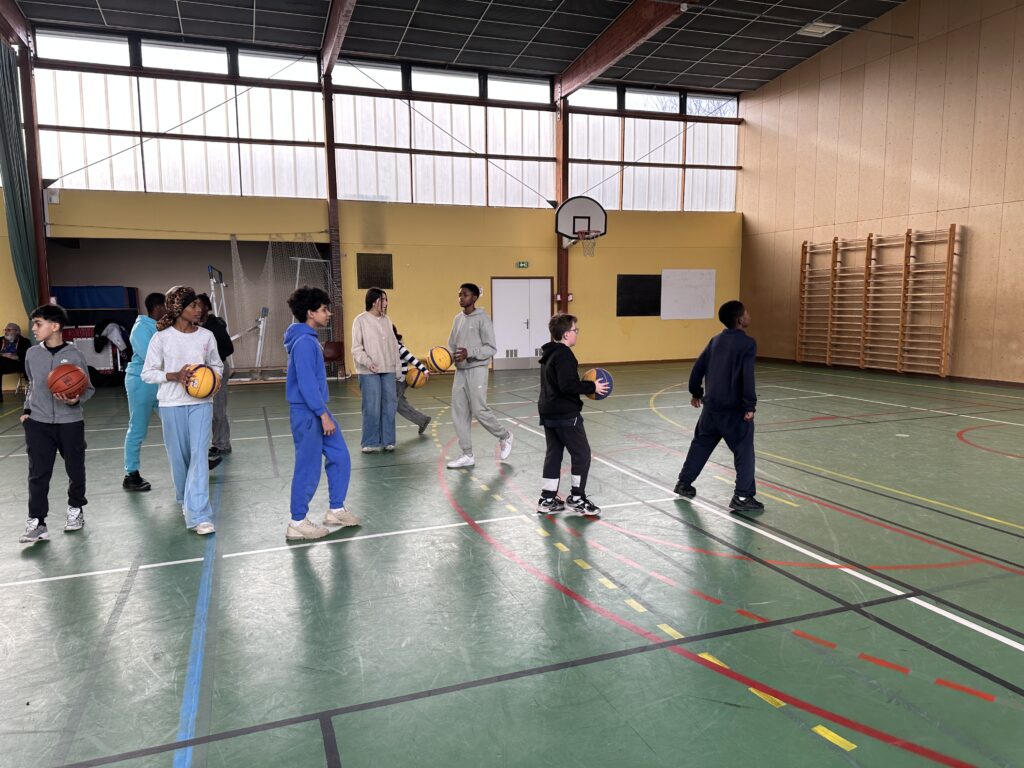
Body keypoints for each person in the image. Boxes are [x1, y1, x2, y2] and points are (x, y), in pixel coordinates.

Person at [141, 286, 223, 535]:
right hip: (171, 404)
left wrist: (213, 380)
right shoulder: (161, 338)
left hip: (201, 404)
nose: (199, 309)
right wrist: (174, 375)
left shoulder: (206, 336)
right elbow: (147, 373)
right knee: (179, 459)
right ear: (178, 309)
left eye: (199, 305)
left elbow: (217, 365)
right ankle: (185, 500)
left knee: (199, 456)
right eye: (193, 305)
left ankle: (200, 514)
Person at [674, 300, 763, 512]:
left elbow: (698, 367)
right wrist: (749, 405)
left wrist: (696, 392)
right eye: (746, 312)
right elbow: (747, 377)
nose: (749, 315)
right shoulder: (748, 344)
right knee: (744, 451)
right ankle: (742, 497)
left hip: (711, 408)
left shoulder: (715, 341)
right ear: (740, 320)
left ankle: (684, 483)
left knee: (701, 444)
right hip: (734, 411)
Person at [284, 286, 359, 540]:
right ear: (310, 313)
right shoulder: (304, 343)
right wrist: (322, 414)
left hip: (317, 410)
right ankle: (297, 522)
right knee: (308, 467)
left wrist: (322, 411)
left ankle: (336, 509)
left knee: (340, 455)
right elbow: (306, 383)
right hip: (308, 413)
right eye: (324, 309)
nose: (329, 314)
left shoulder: (308, 339)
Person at [19, 304, 95, 544]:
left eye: (38, 324)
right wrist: (27, 411)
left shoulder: (75, 355)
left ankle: (75, 509)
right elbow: (32, 385)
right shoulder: (32, 354)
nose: (34, 328)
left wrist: (74, 400)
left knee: (75, 470)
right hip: (38, 423)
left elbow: (88, 389)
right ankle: (37, 522)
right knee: (38, 474)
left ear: (55, 326)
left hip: (70, 422)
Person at [536, 313, 607, 517]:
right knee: (582, 454)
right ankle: (577, 499)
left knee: (554, 454)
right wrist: (592, 386)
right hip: (564, 413)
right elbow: (567, 385)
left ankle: (547, 499)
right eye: (575, 330)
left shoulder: (549, 353)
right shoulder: (564, 354)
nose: (577, 333)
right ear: (567, 334)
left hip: (548, 411)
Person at [446, 283, 513, 469]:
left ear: (474, 298)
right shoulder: (457, 319)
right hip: (460, 371)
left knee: (479, 410)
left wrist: (470, 352)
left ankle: (505, 435)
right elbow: (452, 345)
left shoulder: (483, 319)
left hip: (477, 369)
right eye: (459, 294)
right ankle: (467, 454)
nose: (461, 298)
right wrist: (445, 358)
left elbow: (491, 348)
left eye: (465, 295)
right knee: (459, 412)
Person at [122, 292, 165, 492]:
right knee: (138, 429)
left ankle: (194, 462)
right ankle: (131, 475)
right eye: (166, 307)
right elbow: (153, 359)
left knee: (176, 424)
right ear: (158, 307)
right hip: (141, 382)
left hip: (160, 383)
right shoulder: (140, 329)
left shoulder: (160, 327)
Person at [351, 287, 398, 453]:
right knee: (371, 406)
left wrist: (398, 370)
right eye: (382, 299)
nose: (386, 303)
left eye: (386, 299)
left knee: (390, 405)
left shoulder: (387, 320)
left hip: (388, 370)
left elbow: (394, 346)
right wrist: (367, 362)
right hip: (368, 372)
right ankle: (369, 442)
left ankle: (388, 441)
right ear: (373, 301)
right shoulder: (360, 320)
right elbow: (356, 348)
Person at [197, 293, 234, 465]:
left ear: (206, 307)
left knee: (218, 408)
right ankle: (218, 442)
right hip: (204, 372)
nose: (196, 308)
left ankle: (222, 444)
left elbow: (229, 348)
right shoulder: (197, 326)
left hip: (217, 370)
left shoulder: (215, 326)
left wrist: (213, 359)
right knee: (210, 410)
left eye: (199, 305)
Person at [393, 325, 431, 436]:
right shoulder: (389, 347)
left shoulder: (399, 347)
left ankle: (422, 420)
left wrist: (424, 370)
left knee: (398, 405)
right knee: (399, 403)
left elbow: (412, 359)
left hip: (400, 381)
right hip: (394, 380)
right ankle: (423, 420)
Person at [0, 322, 31, 402]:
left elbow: (27, 357)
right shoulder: (0, 340)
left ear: (17, 331)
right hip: (2, 363)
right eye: (5, 330)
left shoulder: (25, 341)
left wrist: (16, 357)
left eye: (9, 330)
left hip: (17, 364)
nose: (6, 332)